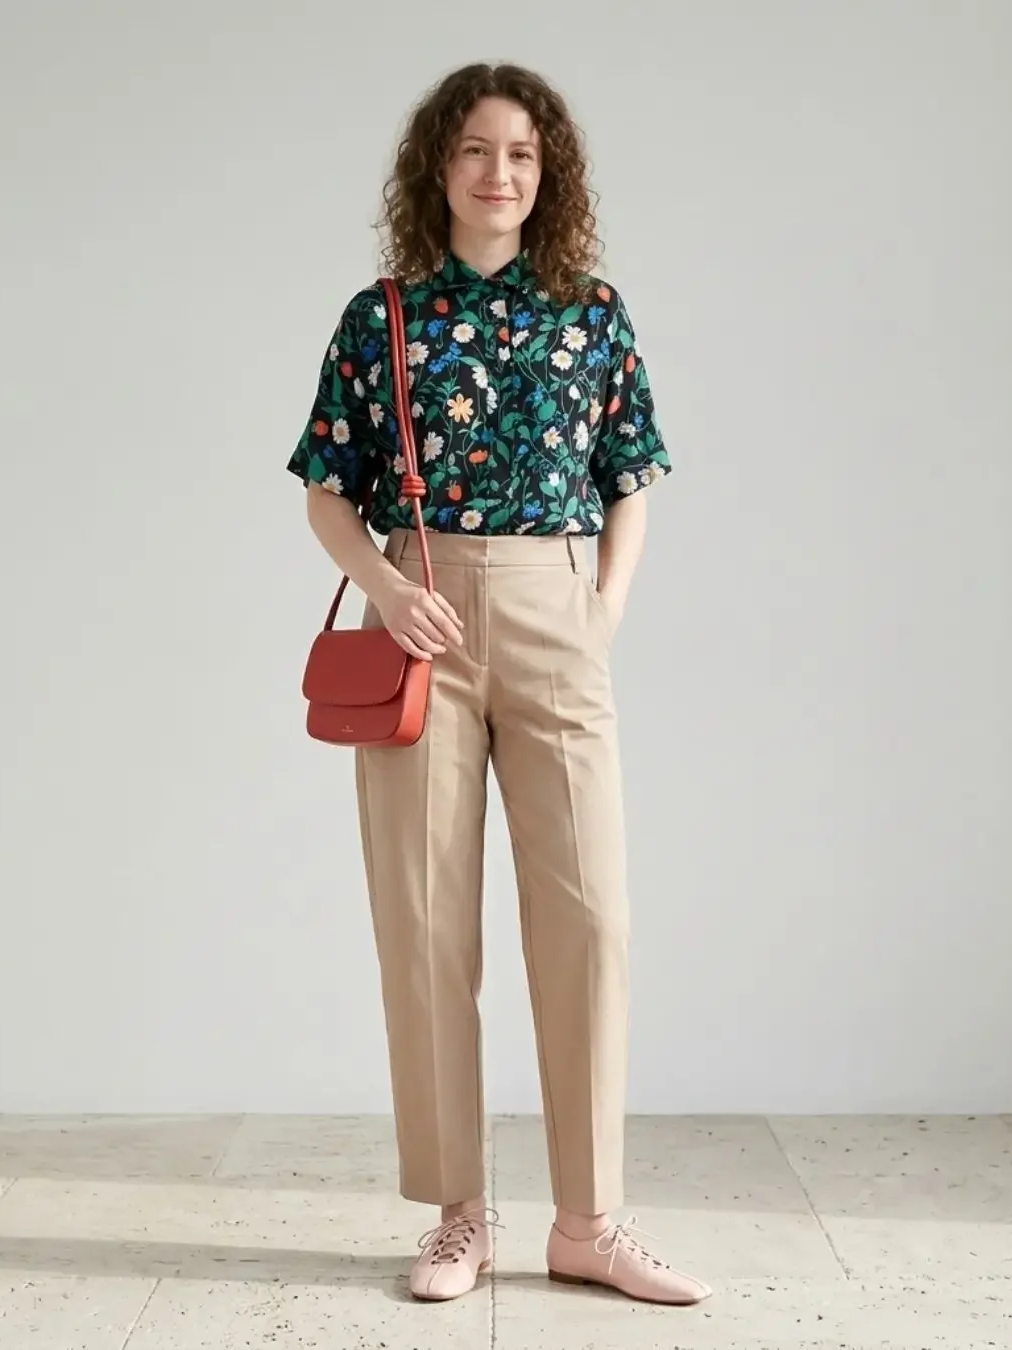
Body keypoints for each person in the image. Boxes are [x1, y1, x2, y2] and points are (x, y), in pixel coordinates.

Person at [287, 62, 711, 1308]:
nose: (499, 173)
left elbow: (633, 468)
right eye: (476, 150)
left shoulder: (591, 308)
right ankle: (458, 1218)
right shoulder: (385, 318)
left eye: (522, 153)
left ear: (547, 172)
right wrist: (381, 577)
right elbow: (325, 483)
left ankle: (589, 1220)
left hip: (554, 607)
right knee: (425, 926)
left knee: (591, 916)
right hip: (417, 616)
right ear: (440, 166)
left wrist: (606, 606)